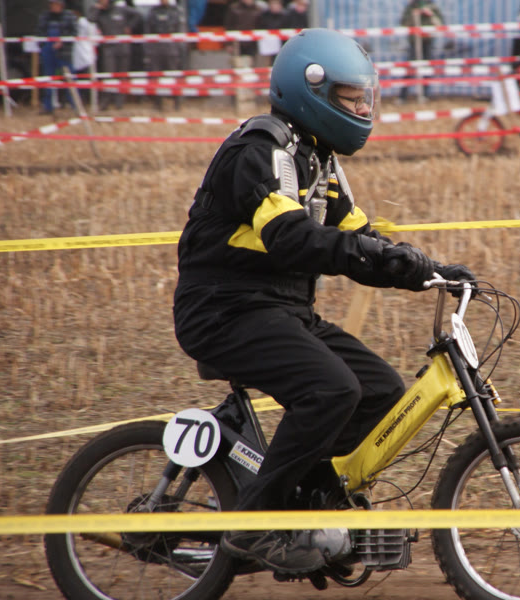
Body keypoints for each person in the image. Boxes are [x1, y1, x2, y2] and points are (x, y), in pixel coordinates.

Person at [172, 28, 475, 575]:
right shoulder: (261, 151)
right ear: (308, 90)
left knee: (380, 392)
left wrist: (428, 270)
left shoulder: (318, 160)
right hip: (224, 310)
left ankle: (304, 504)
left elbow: (362, 241)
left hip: (282, 310)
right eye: (349, 98)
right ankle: (254, 526)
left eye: (365, 97)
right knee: (331, 389)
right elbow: (290, 238)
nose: (362, 109)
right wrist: (373, 254)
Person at [89, 0, 138, 109]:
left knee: (122, 75)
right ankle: (106, 101)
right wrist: (97, 8)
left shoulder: (120, 9)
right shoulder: (99, 12)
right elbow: (91, 19)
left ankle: (119, 102)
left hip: (123, 47)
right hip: (108, 48)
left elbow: (137, 14)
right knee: (108, 75)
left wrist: (129, 26)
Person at [36, 0, 78, 115]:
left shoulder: (69, 16)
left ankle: (75, 106)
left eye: (56, 4)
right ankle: (47, 106)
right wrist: (44, 44)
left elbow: (74, 33)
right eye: (52, 4)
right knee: (48, 79)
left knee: (69, 78)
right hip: (48, 51)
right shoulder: (45, 16)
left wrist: (63, 41)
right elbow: (39, 32)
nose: (54, 7)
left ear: (61, 5)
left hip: (64, 53)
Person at [399, 0, 445, 101]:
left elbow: (440, 24)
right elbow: (404, 24)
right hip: (414, 42)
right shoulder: (411, 7)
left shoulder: (432, 6)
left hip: (428, 41)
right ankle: (402, 96)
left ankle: (425, 94)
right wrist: (414, 15)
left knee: (427, 69)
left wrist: (430, 15)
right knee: (410, 68)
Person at [145, 0, 186, 110]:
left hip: (171, 49)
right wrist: (149, 49)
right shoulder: (153, 12)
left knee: (173, 75)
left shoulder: (175, 12)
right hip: (156, 49)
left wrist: (178, 48)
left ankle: (176, 102)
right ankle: (158, 102)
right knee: (156, 76)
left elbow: (179, 31)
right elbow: (148, 31)